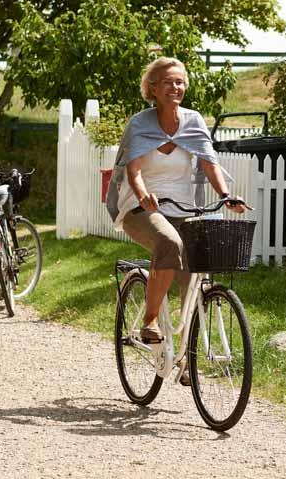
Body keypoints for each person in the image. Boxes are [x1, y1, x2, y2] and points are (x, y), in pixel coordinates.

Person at [105, 54, 248, 350]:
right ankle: (150, 320)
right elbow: (133, 170)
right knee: (170, 243)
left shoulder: (193, 121)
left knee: (195, 272)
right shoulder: (139, 124)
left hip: (185, 207)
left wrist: (225, 196)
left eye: (180, 82)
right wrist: (143, 195)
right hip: (141, 208)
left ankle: (187, 356)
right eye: (168, 82)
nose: (176, 87)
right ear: (153, 88)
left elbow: (210, 163)